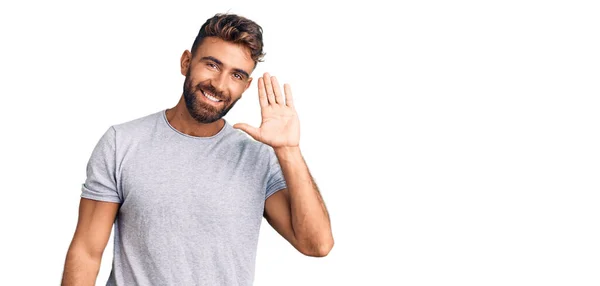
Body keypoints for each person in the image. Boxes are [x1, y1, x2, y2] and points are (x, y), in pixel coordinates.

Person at [61, 13, 334, 286]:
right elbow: (86, 252)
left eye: (236, 75)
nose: (219, 84)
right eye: (212, 65)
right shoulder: (122, 142)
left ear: (246, 86)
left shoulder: (258, 158)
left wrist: (288, 150)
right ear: (186, 62)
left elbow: (317, 244)